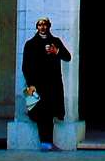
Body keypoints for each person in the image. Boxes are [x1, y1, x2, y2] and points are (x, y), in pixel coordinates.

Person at [21, 16, 72, 149]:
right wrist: (30, 84)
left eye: (45, 25)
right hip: (37, 85)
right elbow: (25, 66)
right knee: (41, 114)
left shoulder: (55, 41)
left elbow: (68, 57)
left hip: (53, 84)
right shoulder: (30, 44)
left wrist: (57, 51)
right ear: (36, 27)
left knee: (50, 114)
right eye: (40, 25)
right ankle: (45, 142)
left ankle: (47, 143)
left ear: (49, 26)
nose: (42, 27)